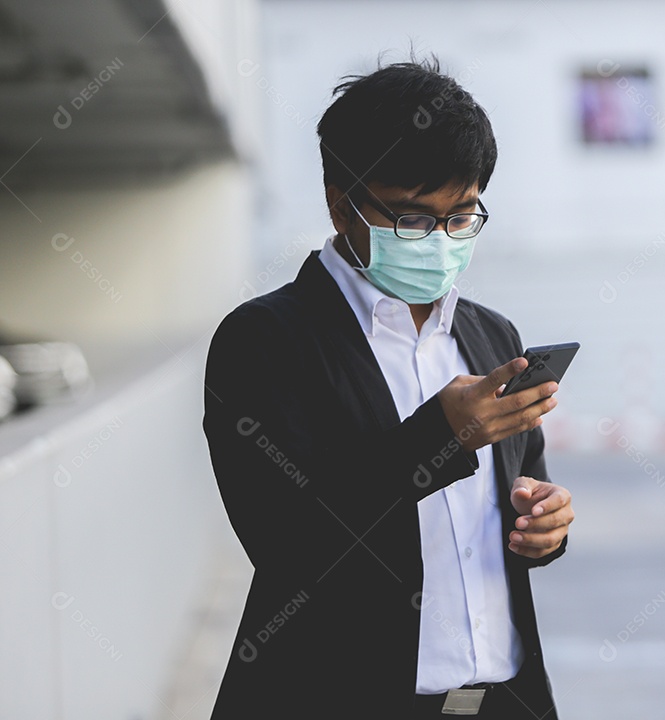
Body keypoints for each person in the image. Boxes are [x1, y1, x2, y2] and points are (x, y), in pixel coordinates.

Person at [202, 54, 574, 718]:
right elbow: (288, 545)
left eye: (462, 216)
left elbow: (516, 498)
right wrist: (441, 435)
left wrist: (544, 526)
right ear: (341, 203)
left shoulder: (492, 337)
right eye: (411, 219)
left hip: (498, 700)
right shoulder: (264, 342)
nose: (439, 240)